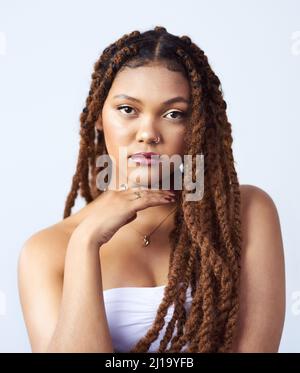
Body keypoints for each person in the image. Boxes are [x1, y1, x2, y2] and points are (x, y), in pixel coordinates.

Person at [17, 26, 285, 353]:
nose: (148, 133)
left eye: (174, 114)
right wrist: (85, 243)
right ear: (98, 116)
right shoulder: (47, 250)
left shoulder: (245, 213)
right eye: (128, 109)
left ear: (197, 126)